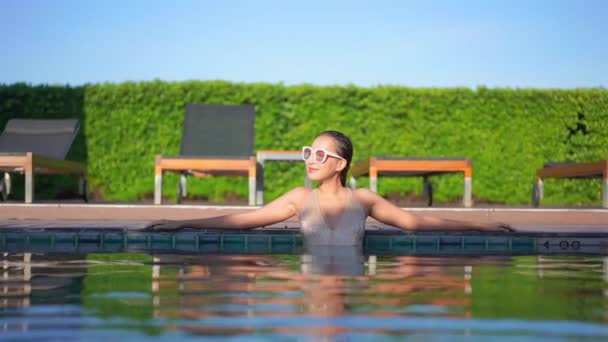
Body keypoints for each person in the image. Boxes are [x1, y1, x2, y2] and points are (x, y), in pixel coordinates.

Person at [145, 130, 514, 244]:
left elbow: (416, 223)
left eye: (320, 155)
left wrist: (482, 225)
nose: (310, 160)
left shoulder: (363, 200)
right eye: (309, 152)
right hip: (309, 287)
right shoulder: (299, 198)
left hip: (349, 293)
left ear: (340, 164)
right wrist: (183, 223)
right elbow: (244, 219)